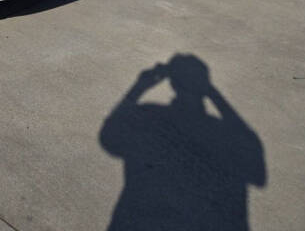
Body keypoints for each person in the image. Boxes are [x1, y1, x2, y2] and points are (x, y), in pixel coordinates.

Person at [100, 54, 265, 231]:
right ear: (203, 85)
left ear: (173, 84)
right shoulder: (222, 132)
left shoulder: (149, 116)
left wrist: (139, 87)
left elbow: (109, 136)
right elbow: (256, 169)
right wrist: (213, 93)